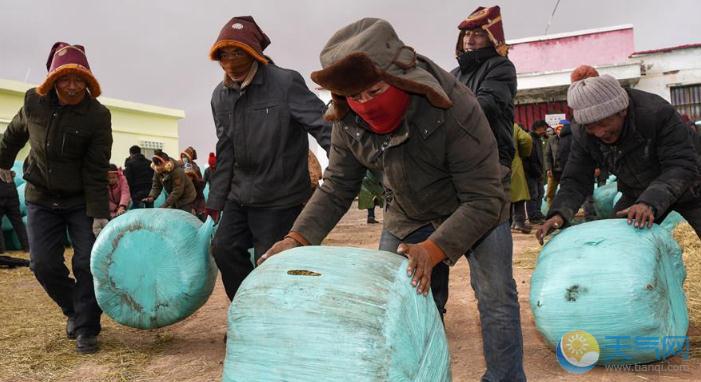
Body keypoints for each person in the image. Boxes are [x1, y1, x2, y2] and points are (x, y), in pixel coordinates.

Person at [260, 18, 525, 382]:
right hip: (408, 210)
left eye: (375, 90)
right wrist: (297, 238)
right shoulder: (347, 118)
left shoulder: (454, 106)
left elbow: (484, 198)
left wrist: (434, 250)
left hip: (476, 205)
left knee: (496, 301)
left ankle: (505, 377)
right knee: (392, 302)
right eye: (356, 97)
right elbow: (337, 185)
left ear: (401, 78)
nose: (366, 104)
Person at [206, 16, 331, 301]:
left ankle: (274, 325)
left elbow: (322, 124)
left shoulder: (284, 82)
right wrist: (215, 202)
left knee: (272, 262)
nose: (231, 61)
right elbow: (224, 149)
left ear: (254, 54)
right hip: (239, 195)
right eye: (224, 55)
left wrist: (341, 162)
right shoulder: (220, 96)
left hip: (280, 195)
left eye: (238, 53)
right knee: (223, 248)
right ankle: (245, 313)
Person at [0, 42, 112, 354]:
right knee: (43, 264)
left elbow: (96, 168)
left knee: (87, 262)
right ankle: (76, 311)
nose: (73, 86)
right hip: (41, 196)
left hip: (79, 200)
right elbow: (13, 135)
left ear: (88, 82)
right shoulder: (33, 102)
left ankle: (87, 328)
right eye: (65, 79)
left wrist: (99, 214)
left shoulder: (97, 116)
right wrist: (2, 161)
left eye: (79, 80)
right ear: (53, 80)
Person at [537, 65, 701, 244]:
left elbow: (680, 165)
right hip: (637, 191)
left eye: (604, 123)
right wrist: (558, 214)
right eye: (591, 126)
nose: (599, 133)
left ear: (622, 111)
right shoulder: (583, 131)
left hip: (691, 183)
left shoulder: (655, 113)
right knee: (617, 242)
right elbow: (576, 178)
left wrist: (649, 202)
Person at [524, 120, 548, 223]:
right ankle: (533, 216)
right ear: (538, 128)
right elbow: (530, 159)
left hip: (538, 171)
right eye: (544, 128)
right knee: (533, 195)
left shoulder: (538, 139)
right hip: (531, 172)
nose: (545, 131)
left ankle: (538, 213)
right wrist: (537, 172)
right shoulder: (530, 138)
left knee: (540, 193)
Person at [0, 170, 29, 252]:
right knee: (18, 222)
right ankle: (27, 247)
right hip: (11, 190)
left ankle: (1, 250)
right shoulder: (6, 165)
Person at [511, 123, 533, 233]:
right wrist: (523, 153)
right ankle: (519, 222)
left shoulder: (486, 122)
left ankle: (507, 224)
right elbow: (526, 139)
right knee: (518, 195)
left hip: (490, 164)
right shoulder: (513, 126)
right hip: (513, 162)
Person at [180, 146, 206, 219]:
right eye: (182, 156)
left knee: (196, 218)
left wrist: (194, 176)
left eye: (185, 156)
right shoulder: (181, 166)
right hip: (186, 198)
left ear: (189, 157)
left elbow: (201, 184)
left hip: (196, 198)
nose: (183, 158)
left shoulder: (194, 167)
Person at [544, 121, 566, 207]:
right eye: (558, 129)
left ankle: (565, 210)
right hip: (553, 170)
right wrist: (548, 168)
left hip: (565, 170)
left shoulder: (569, 139)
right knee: (550, 192)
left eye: (561, 128)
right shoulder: (551, 140)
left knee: (566, 192)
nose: (559, 130)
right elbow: (547, 155)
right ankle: (551, 210)